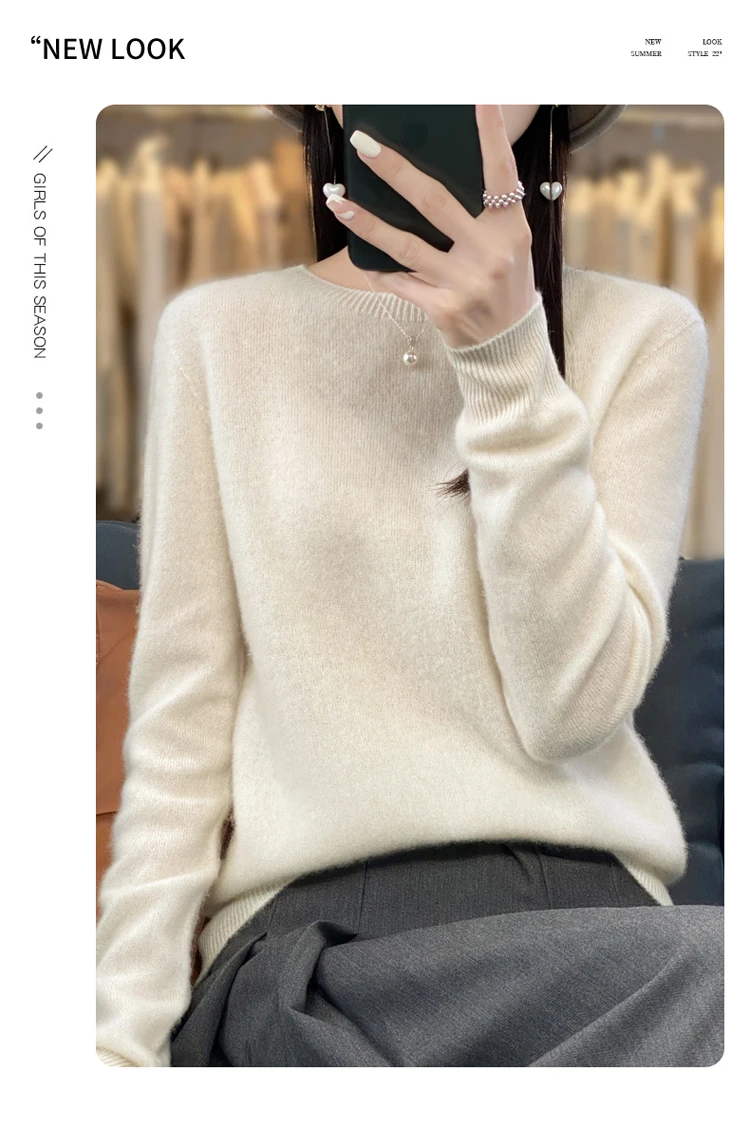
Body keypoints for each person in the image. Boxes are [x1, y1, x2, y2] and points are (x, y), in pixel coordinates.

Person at [96, 104, 723, 1068]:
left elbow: (572, 709)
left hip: (605, 946)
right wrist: (117, 1049)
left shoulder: (645, 333)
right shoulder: (217, 335)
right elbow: (183, 731)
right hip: (319, 952)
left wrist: (508, 357)